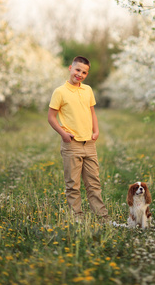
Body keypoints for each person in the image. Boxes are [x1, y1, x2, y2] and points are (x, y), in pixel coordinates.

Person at [48, 56, 108, 220]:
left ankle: (102, 217)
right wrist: (63, 134)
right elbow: (51, 117)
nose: (80, 74)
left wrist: (96, 131)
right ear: (70, 68)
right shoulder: (60, 92)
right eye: (77, 70)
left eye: (84, 72)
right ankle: (77, 218)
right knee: (73, 185)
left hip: (89, 143)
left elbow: (92, 112)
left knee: (94, 183)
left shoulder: (87, 90)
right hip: (72, 144)